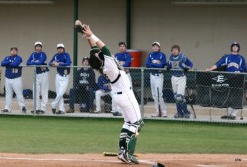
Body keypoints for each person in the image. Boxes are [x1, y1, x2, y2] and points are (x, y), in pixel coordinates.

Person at [75, 20, 144, 164]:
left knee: (128, 122)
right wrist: (92, 34)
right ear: (100, 59)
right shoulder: (108, 62)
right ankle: (128, 153)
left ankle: (122, 151)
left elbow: (95, 49)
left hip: (119, 96)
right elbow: (103, 47)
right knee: (137, 124)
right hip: (126, 95)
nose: (99, 52)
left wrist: (87, 35)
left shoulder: (102, 65)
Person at [205, 42, 246, 120]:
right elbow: (218, 64)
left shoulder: (241, 58)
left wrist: (240, 72)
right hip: (228, 78)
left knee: (236, 96)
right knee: (228, 95)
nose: (235, 48)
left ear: (238, 48)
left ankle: (233, 115)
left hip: (238, 79)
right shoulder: (227, 57)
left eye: (236, 46)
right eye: (233, 46)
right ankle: (228, 114)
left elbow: (244, 69)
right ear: (231, 48)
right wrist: (210, 69)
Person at [167, 45, 193, 119]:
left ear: (179, 51)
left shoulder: (182, 57)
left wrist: (187, 68)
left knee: (179, 97)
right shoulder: (171, 57)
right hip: (173, 77)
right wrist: (168, 67)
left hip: (181, 78)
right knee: (176, 97)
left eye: (176, 50)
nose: (174, 51)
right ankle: (179, 112)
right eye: (173, 50)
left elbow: (190, 64)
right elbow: (168, 65)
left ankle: (185, 112)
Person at [1, 47, 26, 113]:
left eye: (15, 50)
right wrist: (9, 62)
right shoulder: (7, 57)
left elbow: (14, 64)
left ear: (17, 52)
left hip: (16, 78)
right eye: (12, 50)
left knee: (19, 93)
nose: (13, 51)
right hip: (8, 78)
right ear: (10, 51)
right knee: (8, 94)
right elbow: (2, 63)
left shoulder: (19, 58)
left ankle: (23, 107)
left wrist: (8, 63)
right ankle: (7, 108)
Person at [145, 42, 167, 117]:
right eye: (153, 46)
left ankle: (163, 112)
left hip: (159, 75)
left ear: (159, 48)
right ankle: (157, 112)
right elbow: (147, 64)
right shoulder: (150, 55)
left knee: (159, 94)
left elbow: (161, 66)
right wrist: (156, 65)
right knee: (154, 95)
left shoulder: (162, 55)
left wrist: (152, 64)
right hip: (152, 75)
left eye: (156, 46)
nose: (155, 47)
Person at [27, 41, 49, 114]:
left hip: (44, 73)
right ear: (35, 47)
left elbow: (40, 62)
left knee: (44, 91)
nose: (38, 47)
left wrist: (33, 62)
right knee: (35, 91)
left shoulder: (43, 54)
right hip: (36, 73)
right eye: (37, 46)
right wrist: (36, 62)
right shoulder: (33, 54)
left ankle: (42, 109)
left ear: (41, 47)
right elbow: (27, 62)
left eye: (39, 46)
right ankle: (36, 108)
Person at [49, 43, 72, 114]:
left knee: (60, 93)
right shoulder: (56, 55)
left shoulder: (66, 55)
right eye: (58, 48)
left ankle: (53, 105)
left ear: (63, 49)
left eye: (61, 48)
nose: (60, 49)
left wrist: (59, 64)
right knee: (59, 93)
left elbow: (68, 63)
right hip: (58, 76)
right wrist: (53, 63)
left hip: (65, 76)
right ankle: (61, 110)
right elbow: (49, 63)